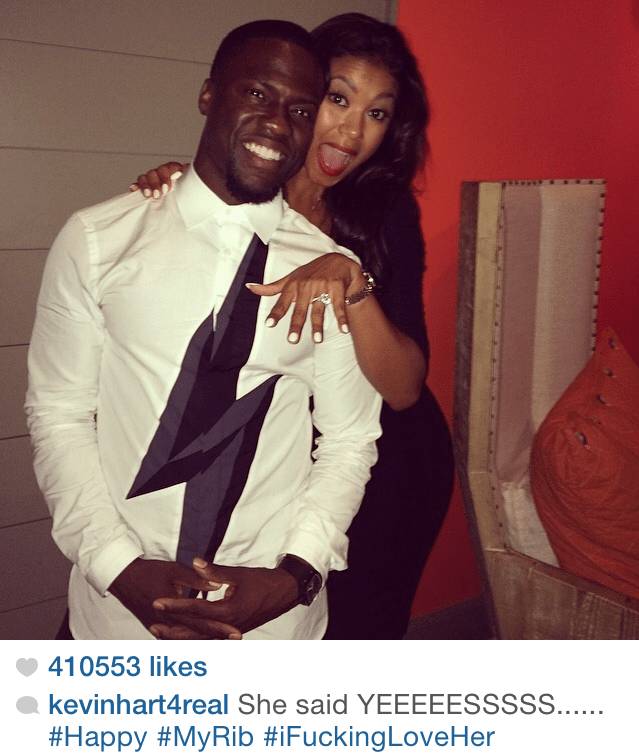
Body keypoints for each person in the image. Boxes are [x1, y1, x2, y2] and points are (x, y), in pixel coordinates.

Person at [25, 20, 383, 641]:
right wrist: (117, 566)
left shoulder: (330, 272)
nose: (278, 123)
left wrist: (296, 576)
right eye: (257, 93)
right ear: (209, 94)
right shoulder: (99, 239)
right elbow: (59, 413)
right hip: (115, 619)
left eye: (301, 109)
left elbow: (350, 439)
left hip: (272, 627)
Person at [133, 13, 455, 640]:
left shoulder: (384, 213)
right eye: (338, 99)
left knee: (352, 644)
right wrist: (174, 192)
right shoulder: (237, 193)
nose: (352, 131)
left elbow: (405, 388)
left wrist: (349, 280)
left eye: (377, 113)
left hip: (387, 471)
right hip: (276, 466)